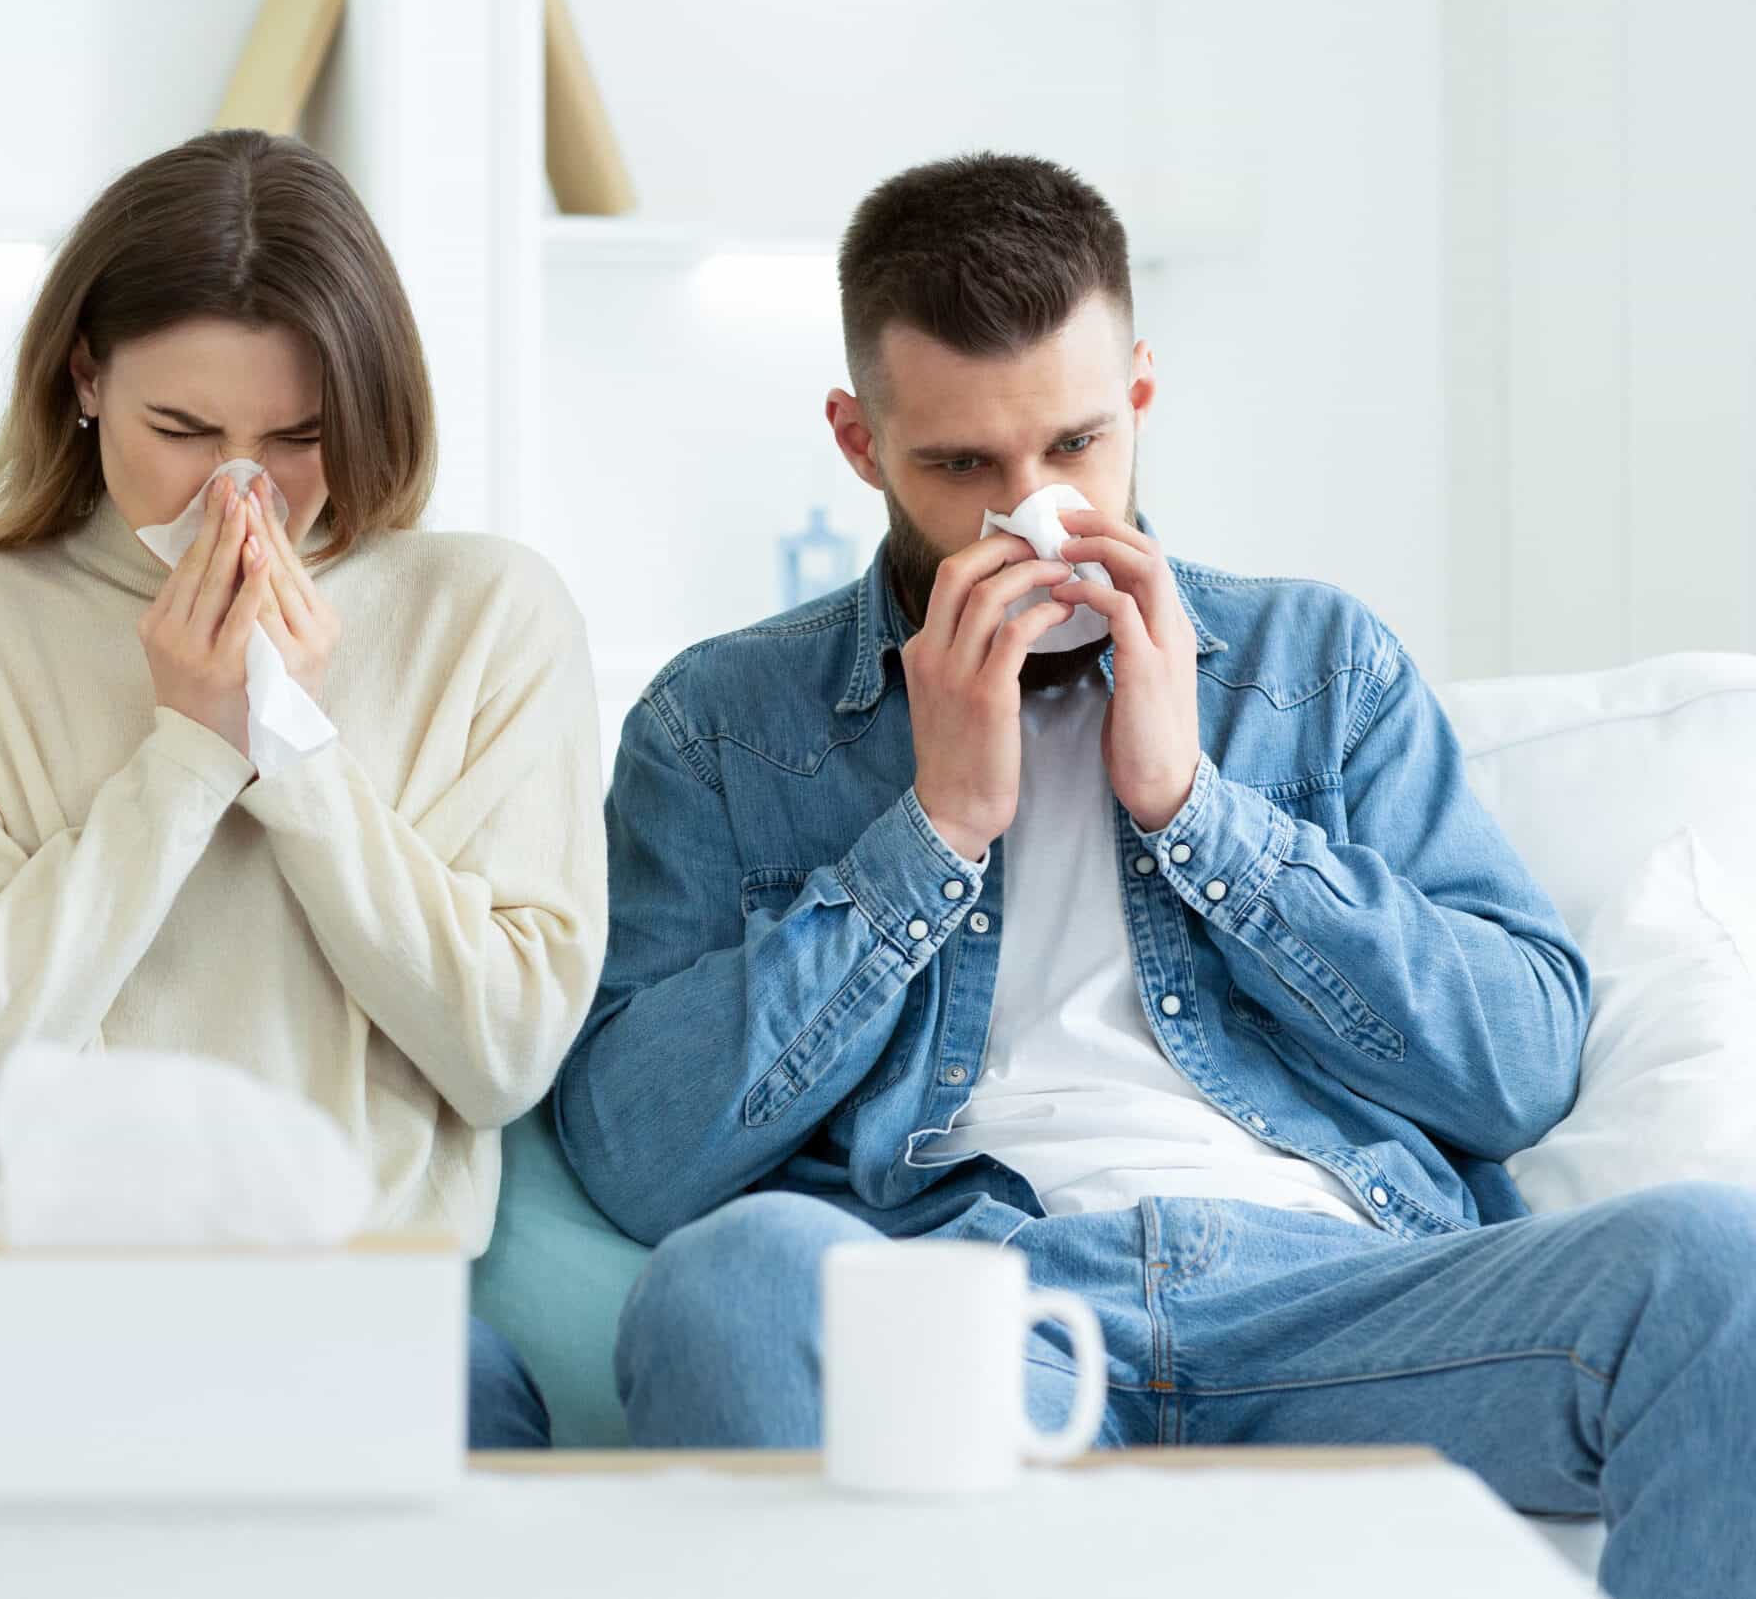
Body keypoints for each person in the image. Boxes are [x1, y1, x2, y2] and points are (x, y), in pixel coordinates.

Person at [554, 151, 1754, 1596]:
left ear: (1136, 399)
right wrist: (929, 835)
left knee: (1718, 1265)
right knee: (723, 1287)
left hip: (1336, 1297)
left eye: (1074, 447)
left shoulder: (1321, 666)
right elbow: (634, 1147)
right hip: (978, 1311)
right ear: (859, 442)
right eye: (962, 468)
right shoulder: (724, 720)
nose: (1036, 512)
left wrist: (1197, 810)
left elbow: (1520, 1063)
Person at [0, 129, 607, 1448]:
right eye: (179, 429)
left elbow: (504, 1051)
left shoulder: (489, 615)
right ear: (82, 379)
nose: (240, 491)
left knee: (464, 1424)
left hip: (344, 1296)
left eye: (298, 437)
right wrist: (186, 752)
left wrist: (289, 742)